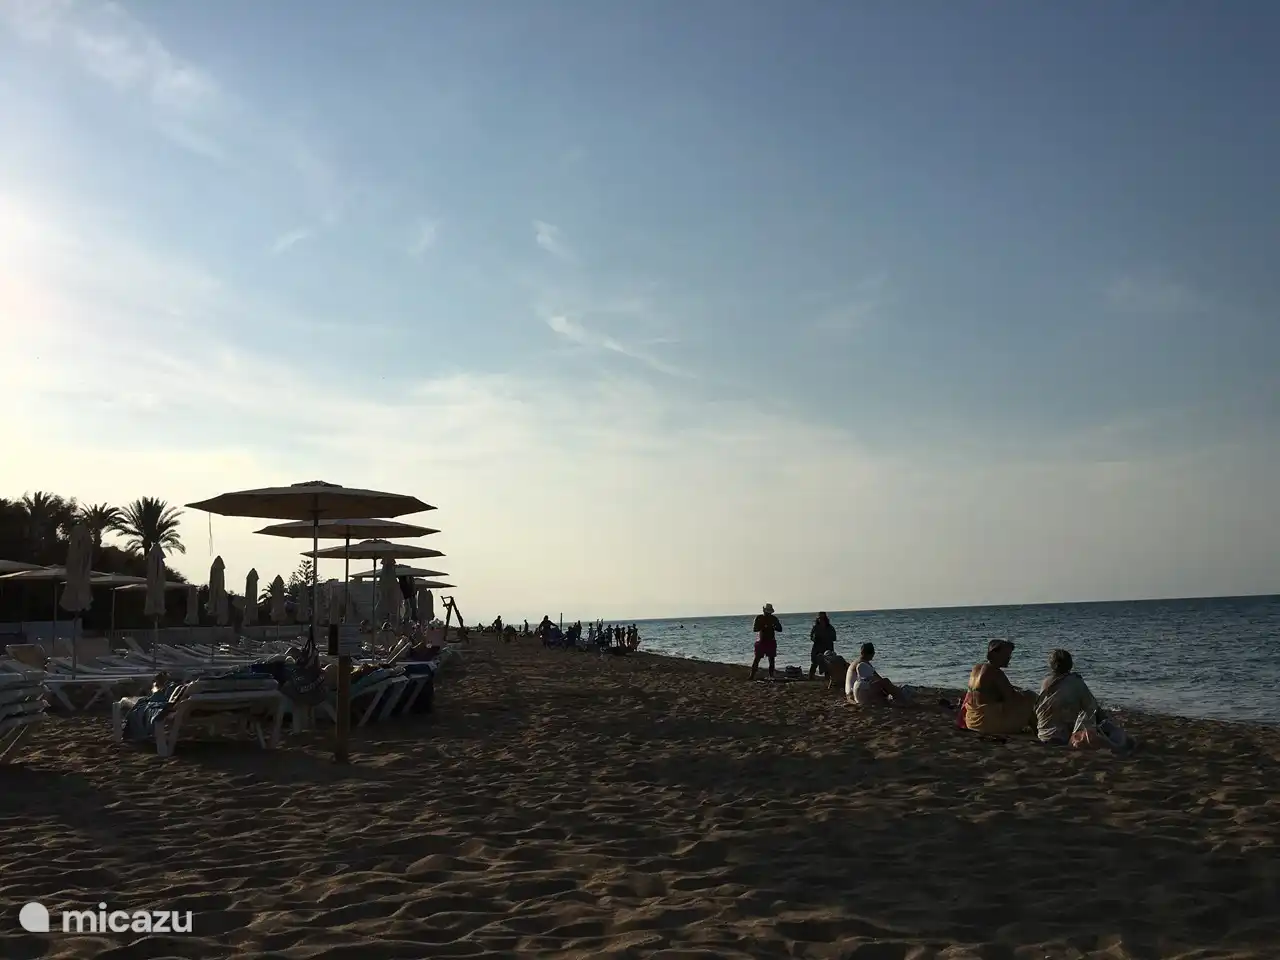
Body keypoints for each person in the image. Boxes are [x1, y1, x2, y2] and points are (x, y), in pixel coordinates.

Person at [963, 639, 1038, 734]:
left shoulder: (976, 668)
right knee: (1030, 697)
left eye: (1009, 655)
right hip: (986, 724)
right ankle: (1038, 731)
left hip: (971, 721)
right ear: (993, 654)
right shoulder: (995, 672)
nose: (1009, 658)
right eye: (1006, 654)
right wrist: (1027, 695)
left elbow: (986, 689)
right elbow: (1012, 698)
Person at [1036, 648, 1099, 745]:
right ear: (1070, 665)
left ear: (1051, 665)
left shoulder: (1046, 682)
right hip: (1063, 738)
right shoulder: (1076, 682)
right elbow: (1092, 708)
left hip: (1042, 735)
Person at [845, 643, 910, 705]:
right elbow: (878, 678)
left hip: (851, 692)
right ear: (872, 654)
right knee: (885, 682)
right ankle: (902, 699)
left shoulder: (856, 662)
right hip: (854, 694)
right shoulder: (863, 663)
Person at [750, 603, 783, 680]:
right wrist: (763, 626)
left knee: (771, 660)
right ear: (764, 610)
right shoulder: (759, 618)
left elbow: (780, 629)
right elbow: (755, 629)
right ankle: (752, 675)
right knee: (757, 659)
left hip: (771, 641)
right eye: (766, 611)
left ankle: (771, 676)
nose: (768, 613)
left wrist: (773, 626)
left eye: (769, 611)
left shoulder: (773, 619)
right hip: (761, 641)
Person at [808, 612, 837, 679]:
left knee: (828, 663)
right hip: (817, 647)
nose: (821, 620)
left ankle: (827, 678)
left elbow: (834, 638)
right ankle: (811, 677)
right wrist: (815, 638)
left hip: (827, 647)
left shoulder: (830, 628)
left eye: (823, 618)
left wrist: (826, 638)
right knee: (814, 662)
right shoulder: (815, 627)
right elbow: (811, 637)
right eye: (820, 618)